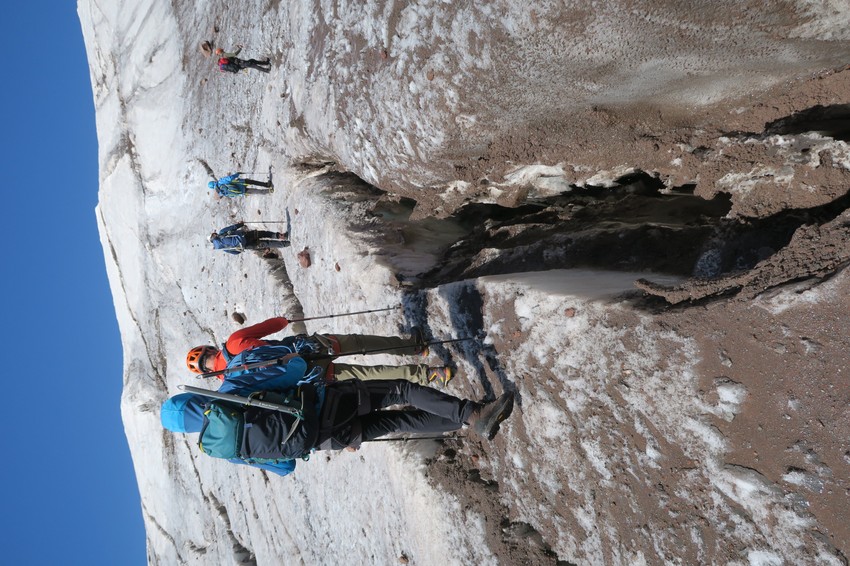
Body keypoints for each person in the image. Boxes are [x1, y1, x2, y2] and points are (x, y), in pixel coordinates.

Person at [161, 354, 515, 477]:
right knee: (400, 391)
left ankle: (464, 421)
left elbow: (285, 466)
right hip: (325, 403)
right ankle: (473, 414)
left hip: (325, 439)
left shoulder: (222, 449)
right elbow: (292, 370)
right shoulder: (226, 395)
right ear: (189, 400)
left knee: (399, 422)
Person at [186, 316, 453, 386]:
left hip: (310, 373)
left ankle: (431, 374)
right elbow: (273, 325)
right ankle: (415, 347)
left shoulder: (233, 383)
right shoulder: (234, 341)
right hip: (310, 347)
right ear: (209, 349)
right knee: (360, 343)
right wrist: (283, 321)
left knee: (369, 374)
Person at [209, 222, 290, 254]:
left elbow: (235, 253)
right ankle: (280, 236)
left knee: (267, 243)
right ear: (213, 236)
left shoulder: (222, 248)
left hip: (246, 245)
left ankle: (286, 244)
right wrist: (241, 224)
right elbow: (232, 227)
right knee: (263, 233)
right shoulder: (221, 233)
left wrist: (241, 246)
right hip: (245, 235)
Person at [208, 172, 273, 198]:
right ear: (214, 182)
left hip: (241, 191)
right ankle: (267, 185)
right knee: (253, 182)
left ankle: (269, 191)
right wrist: (237, 174)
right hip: (240, 183)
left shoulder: (220, 193)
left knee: (256, 191)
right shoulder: (220, 182)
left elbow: (232, 196)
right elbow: (230, 178)